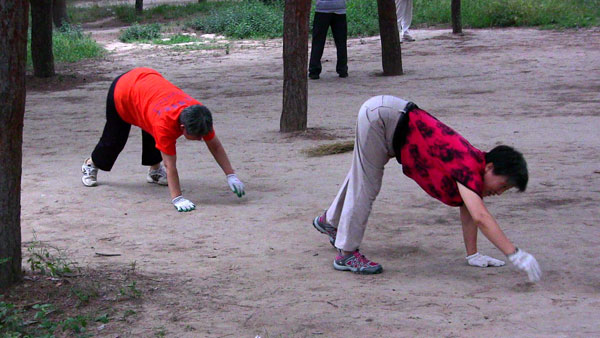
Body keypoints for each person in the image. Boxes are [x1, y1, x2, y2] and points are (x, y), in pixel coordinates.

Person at [312, 95, 541, 282]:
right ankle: (347, 254)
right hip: (382, 119)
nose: (499, 193)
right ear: (490, 167)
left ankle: (329, 222)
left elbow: (470, 210)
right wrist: (515, 253)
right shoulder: (469, 165)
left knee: (361, 176)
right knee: (366, 186)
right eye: (502, 185)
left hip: (385, 115)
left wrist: (473, 254)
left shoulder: (473, 167)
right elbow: (480, 216)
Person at [81, 67, 245, 212]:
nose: (202, 139)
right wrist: (177, 198)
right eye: (198, 137)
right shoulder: (165, 125)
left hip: (147, 87)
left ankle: (154, 171)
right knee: (115, 138)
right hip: (123, 90)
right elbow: (170, 165)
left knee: (153, 132)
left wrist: (231, 175)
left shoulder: (199, 115)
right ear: (182, 128)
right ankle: (91, 164)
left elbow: (215, 146)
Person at [308, 0, 348, 80]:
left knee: (318, 42)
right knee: (341, 42)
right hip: (339, 8)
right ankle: (342, 70)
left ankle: (314, 71)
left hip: (322, 8)